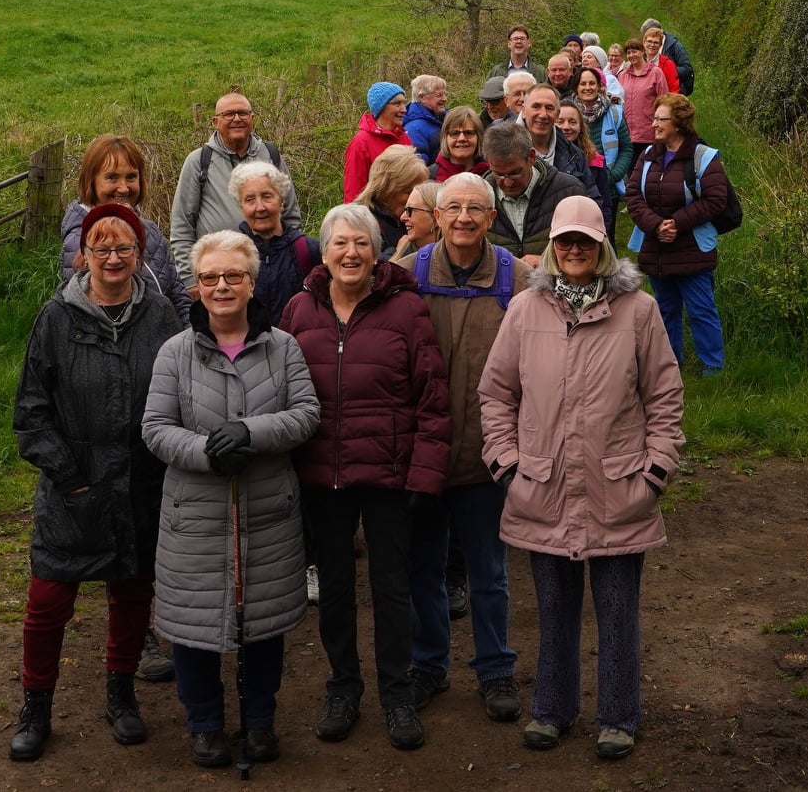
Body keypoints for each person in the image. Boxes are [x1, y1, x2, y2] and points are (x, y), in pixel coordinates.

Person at [478, 195, 685, 761]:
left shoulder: (638, 312)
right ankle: (552, 709)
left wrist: (655, 472)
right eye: (565, 240)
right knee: (553, 609)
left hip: (619, 487)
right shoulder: (525, 310)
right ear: (551, 247)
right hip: (541, 486)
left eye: (585, 241)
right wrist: (507, 466)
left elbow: (665, 396)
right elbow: (496, 393)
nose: (574, 250)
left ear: (602, 247)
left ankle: (618, 717)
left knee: (617, 612)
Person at [10, 203, 185, 762]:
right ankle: (36, 707)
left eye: (124, 247)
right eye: (101, 248)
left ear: (139, 254)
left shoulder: (159, 314)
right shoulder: (56, 318)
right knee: (48, 602)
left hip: (140, 483)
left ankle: (121, 694)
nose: (113, 257)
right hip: (73, 488)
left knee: (132, 594)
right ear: (83, 255)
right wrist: (71, 479)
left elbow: (180, 392)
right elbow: (31, 412)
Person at [141, 231, 321, 769]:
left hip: (267, 511)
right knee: (193, 627)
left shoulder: (282, 346)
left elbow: (306, 414)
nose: (222, 286)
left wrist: (251, 433)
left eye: (233, 275)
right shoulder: (175, 352)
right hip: (194, 514)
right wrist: (206, 452)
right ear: (196, 287)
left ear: (252, 281)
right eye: (210, 277)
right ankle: (205, 726)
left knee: (263, 625)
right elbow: (155, 428)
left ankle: (259, 721)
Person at [280, 205, 450, 751]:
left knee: (392, 589)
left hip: (388, 474)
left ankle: (397, 694)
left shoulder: (405, 309)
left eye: (361, 243)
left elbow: (433, 399)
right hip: (320, 474)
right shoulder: (299, 309)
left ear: (377, 251)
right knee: (333, 589)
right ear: (325, 251)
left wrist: (424, 477)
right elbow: (277, 388)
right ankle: (343, 688)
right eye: (340, 243)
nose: (350, 253)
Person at [404, 173, 520, 725]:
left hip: (486, 457)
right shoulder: (408, 276)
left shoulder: (518, 279)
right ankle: (428, 664)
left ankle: (495, 668)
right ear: (437, 216)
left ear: (492, 218)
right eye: (453, 208)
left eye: (476, 208)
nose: (464, 218)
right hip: (422, 456)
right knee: (423, 570)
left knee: (488, 573)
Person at [623, 93, 730, 376]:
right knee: (665, 310)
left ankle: (713, 367)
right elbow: (633, 195)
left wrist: (675, 224)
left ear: (679, 123)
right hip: (656, 247)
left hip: (692, 247)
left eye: (662, 119)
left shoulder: (703, 157)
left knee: (701, 309)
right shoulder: (648, 155)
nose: (654, 124)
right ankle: (669, 364)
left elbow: (716, 199)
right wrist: (656, 226)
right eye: (655, 118)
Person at [171, 92, 302, 293]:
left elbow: (291, 215)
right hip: (218, 278)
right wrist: (190, 280)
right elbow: (182, 224)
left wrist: (289, 263)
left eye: (243, 113)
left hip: (271, 272)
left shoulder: (270, 155)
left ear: (252, 118)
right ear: (215, 122)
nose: (237, 119)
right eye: (229, 114)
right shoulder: (199, 161)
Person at [60, 135, 189, 327]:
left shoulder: (150, 230)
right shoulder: (81, 240)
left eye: (131, 177)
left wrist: (190, 339)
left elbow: (179, 296)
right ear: (91, 181)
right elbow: (92, 320)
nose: (123, 188)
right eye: (112, 177)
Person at [482, 122, 587, 266]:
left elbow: (590, 252)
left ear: (531, 157)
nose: (507, 183)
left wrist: (547, 263)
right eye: (499, 174)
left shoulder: (569, 192)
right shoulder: (479, 198)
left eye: (515, 173)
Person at [228, 160, 319, 320]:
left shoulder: (308, 250)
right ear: (241, 207)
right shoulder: (232, 254)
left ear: (281, 201)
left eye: (267, 196)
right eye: (250, 199)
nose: (260, 207)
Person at [521, 84, 600, 203]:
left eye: (549, 108)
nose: (543, 114)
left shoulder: (574, 155)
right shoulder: (506, 147)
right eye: (536, 106)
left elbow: (593, 200)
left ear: (557, 114)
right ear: (523, 111)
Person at [354, 145, 430, 260]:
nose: (414, 199)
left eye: (419, 192)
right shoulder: (357, 220)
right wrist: (397, 253)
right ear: (386, 189)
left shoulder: (416, 215)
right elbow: (360, 266)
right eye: (408, 192)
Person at [344, 81, 412, 204]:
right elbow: (353, 191)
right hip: (373, 214)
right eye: (397, 104)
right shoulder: (361, 143)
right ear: (381, 108)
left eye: (404, 103)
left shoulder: (403, 137)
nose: (404, 110)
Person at [573, 66, 634, 195]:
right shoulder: (567, 114)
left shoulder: (614, 113)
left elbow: (626, 149)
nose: (587, 87)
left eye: (592, 83)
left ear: (599, 86)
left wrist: (613, 176)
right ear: (576, 87)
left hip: (609, 187)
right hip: (576, 186)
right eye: (583, 84)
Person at [558, 102, 614, 233]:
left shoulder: (595, 160)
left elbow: (605, 203)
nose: (566, 127)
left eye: (572, 122)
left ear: (580, 127)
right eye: (560, 121)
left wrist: (602, 232)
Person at [616, 39, 669, 163]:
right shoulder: (622, 75)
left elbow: (665, 102)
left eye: (634, 51)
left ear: (643, 52)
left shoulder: (655, 73)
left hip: (649, 134)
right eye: (628, 52)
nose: (631, 55)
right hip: (626, 135)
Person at [432, 105, 489, 181]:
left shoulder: (491, 175)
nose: (461, 139)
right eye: (455, 133)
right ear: (445, 137)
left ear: (479, 137)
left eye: (468, 133)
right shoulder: (430, 176)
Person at [640, 17, 696, 95]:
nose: (652, 44)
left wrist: (667, 70)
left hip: (675, 90)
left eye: (655, 42)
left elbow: (687, 70)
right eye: (648, 39)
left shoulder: (675, 46)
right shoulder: (644, 52)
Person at [391, 179, 441, 263]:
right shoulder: (401, 259)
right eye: (405, 209)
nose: (402, 217)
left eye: (410, 210)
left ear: (436, 217)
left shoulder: (455, 262)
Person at [404, 74, 449, 163]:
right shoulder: (414, 128)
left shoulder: (445, 118)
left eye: (445, 94)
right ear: (422, 97)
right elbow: (417, 165)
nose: (445, 99)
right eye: (439, 95)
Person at [643, 27, 681, 95]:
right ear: (644, 42)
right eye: (649, 41)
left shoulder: (668, 64)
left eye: (656, 42)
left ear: (660, 45)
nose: (652, 45)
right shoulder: (636, 62)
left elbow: (674, 90)